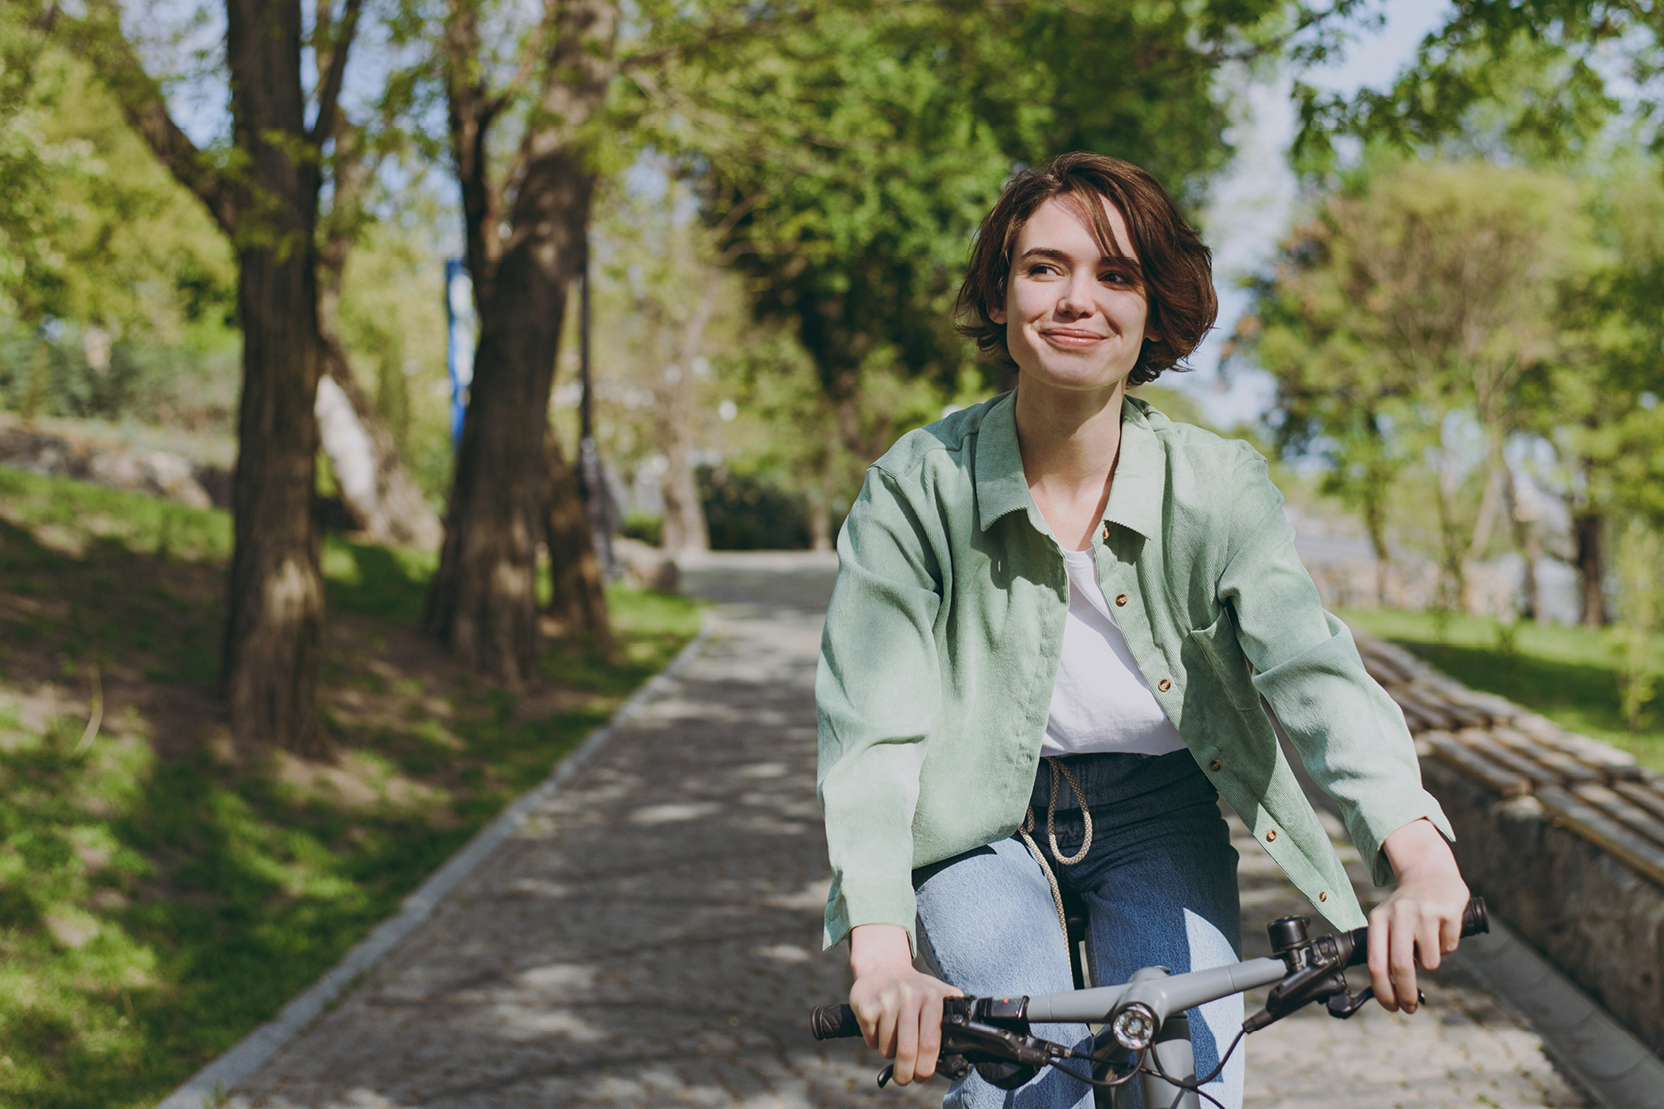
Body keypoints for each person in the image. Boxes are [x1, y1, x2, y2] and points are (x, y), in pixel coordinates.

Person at [815, 152, 1471, 1109]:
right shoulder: (918, 489)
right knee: (1036, 1075)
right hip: (975, 822)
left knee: (1188, 1085)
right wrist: (881, 953)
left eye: (1115, 274)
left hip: (1161, 811)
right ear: (1001, 295)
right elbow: (871, 735)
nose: (1077, 298)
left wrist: (1420, 860)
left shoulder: (1220, 489)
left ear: (1152, 310)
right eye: (1044, 268)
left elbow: (1314, 671)